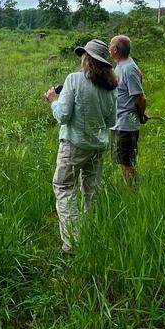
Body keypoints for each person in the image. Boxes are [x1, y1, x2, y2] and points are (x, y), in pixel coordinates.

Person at [44, 39, 117, 255]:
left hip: (74, 146)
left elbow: (63, 116)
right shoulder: (110, 87)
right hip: (97, 147)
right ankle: (90, 234)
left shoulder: (74, 80)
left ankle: (72, 244)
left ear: (88, 58)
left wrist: (53, 100)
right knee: (91, 192)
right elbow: (111, 120)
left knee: (64, 188)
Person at [109, 35, 148, 186]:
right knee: (123, 160)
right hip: (119, 122)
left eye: (110, 46)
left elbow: (140, 98)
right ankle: (130, 188)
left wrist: (140, 115)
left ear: (115, 49)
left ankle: (133, 192)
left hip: (126, 124)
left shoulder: (128, 69)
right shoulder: (121, 66)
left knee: (126, 161)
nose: (108, 48)